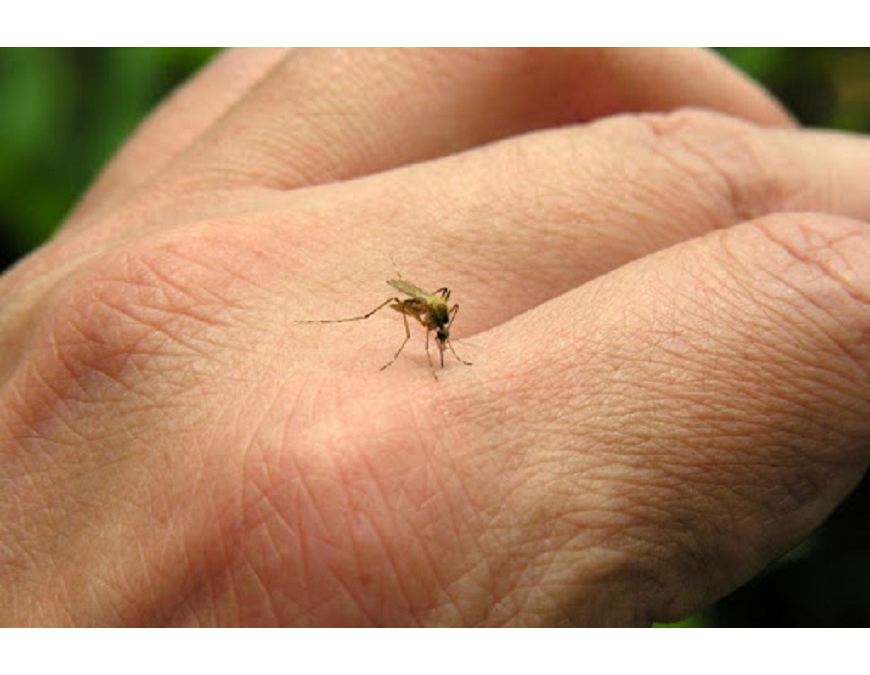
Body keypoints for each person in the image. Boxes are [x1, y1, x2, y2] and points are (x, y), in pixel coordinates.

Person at [1, 46, 868, 627]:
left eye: (439, 320)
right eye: (438, 321)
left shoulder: (442, 311)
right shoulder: (414, 311)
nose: (438, 324)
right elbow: (413, 306)